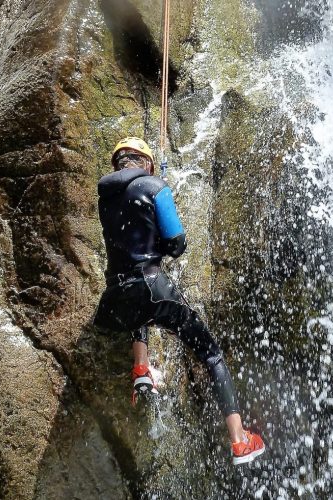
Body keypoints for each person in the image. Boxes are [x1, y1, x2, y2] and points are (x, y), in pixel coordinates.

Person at [93, 137, 265, 465]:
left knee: (136, 309)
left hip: (115, 298)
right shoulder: (155, 186)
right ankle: (240, 440)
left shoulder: (105, 200)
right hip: (151, 288)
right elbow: (177, 243)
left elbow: (128, 244)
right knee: (212, 355)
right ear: (145, 163)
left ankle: (141, 368)